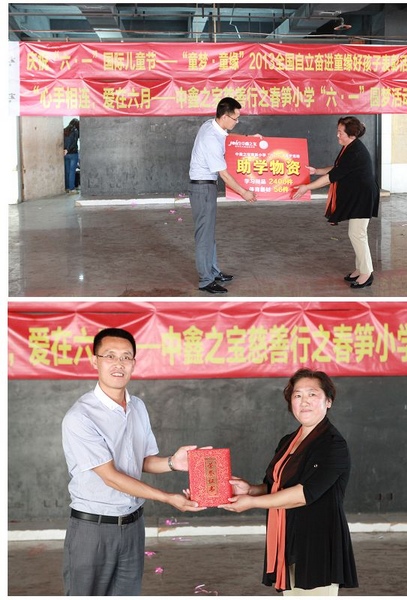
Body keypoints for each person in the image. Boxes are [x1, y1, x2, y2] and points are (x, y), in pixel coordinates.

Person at [62, 327, 206, 596]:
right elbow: (112, 477)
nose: (119, 364)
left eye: (126, 357)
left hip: (132, 526)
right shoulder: (80, 417)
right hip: (94, 529)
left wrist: (173, 462)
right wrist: (168, 498)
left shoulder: (138, 406)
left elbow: (142, 461)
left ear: (134, 364)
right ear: (94, 361)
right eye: (110, 356)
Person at [219, 368, 358, 596]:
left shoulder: (333, 444)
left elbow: (303, 494)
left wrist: (252, 503)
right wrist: (251, 490)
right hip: (287, 537)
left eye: (312, 394)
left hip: (318, 542)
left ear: (328, 401)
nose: (304, 401)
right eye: (297, 395)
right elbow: (273, 485)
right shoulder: (288, 441)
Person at [293, 116, 379, 289]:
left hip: (363, 196)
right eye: (337, 131)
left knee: (357, 234)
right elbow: (338, 168)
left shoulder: (355, 151)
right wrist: (317, 171)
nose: (337, 135)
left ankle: (366, 273)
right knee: (356, 233)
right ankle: (360, 268)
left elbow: (331, 177)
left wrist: (307, 187)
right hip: (357, 195)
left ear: (351, 135)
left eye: (340, 132)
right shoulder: (349, 147)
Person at [188, 97, 257, 294]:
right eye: (235, 118)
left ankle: (213, 271)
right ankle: (205, 280)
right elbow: (224, 174)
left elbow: (228, 137)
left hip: (206, 187)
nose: (237, 121)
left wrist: (248, 138)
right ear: (225, 116)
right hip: (202, 189)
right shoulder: (211, 138)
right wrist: (244, 193)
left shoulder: (212, 125)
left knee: (208, 233)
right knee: (204, 235)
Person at [64, 118, 79, 194]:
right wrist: (68, 149)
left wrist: (65, 149)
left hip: (65, 153)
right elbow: (73, 142)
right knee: (72, 171)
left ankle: (67, 188)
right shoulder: (75, 131)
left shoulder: (65, 130)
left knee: (67, 171)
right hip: (73, 153)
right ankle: (71, 189)